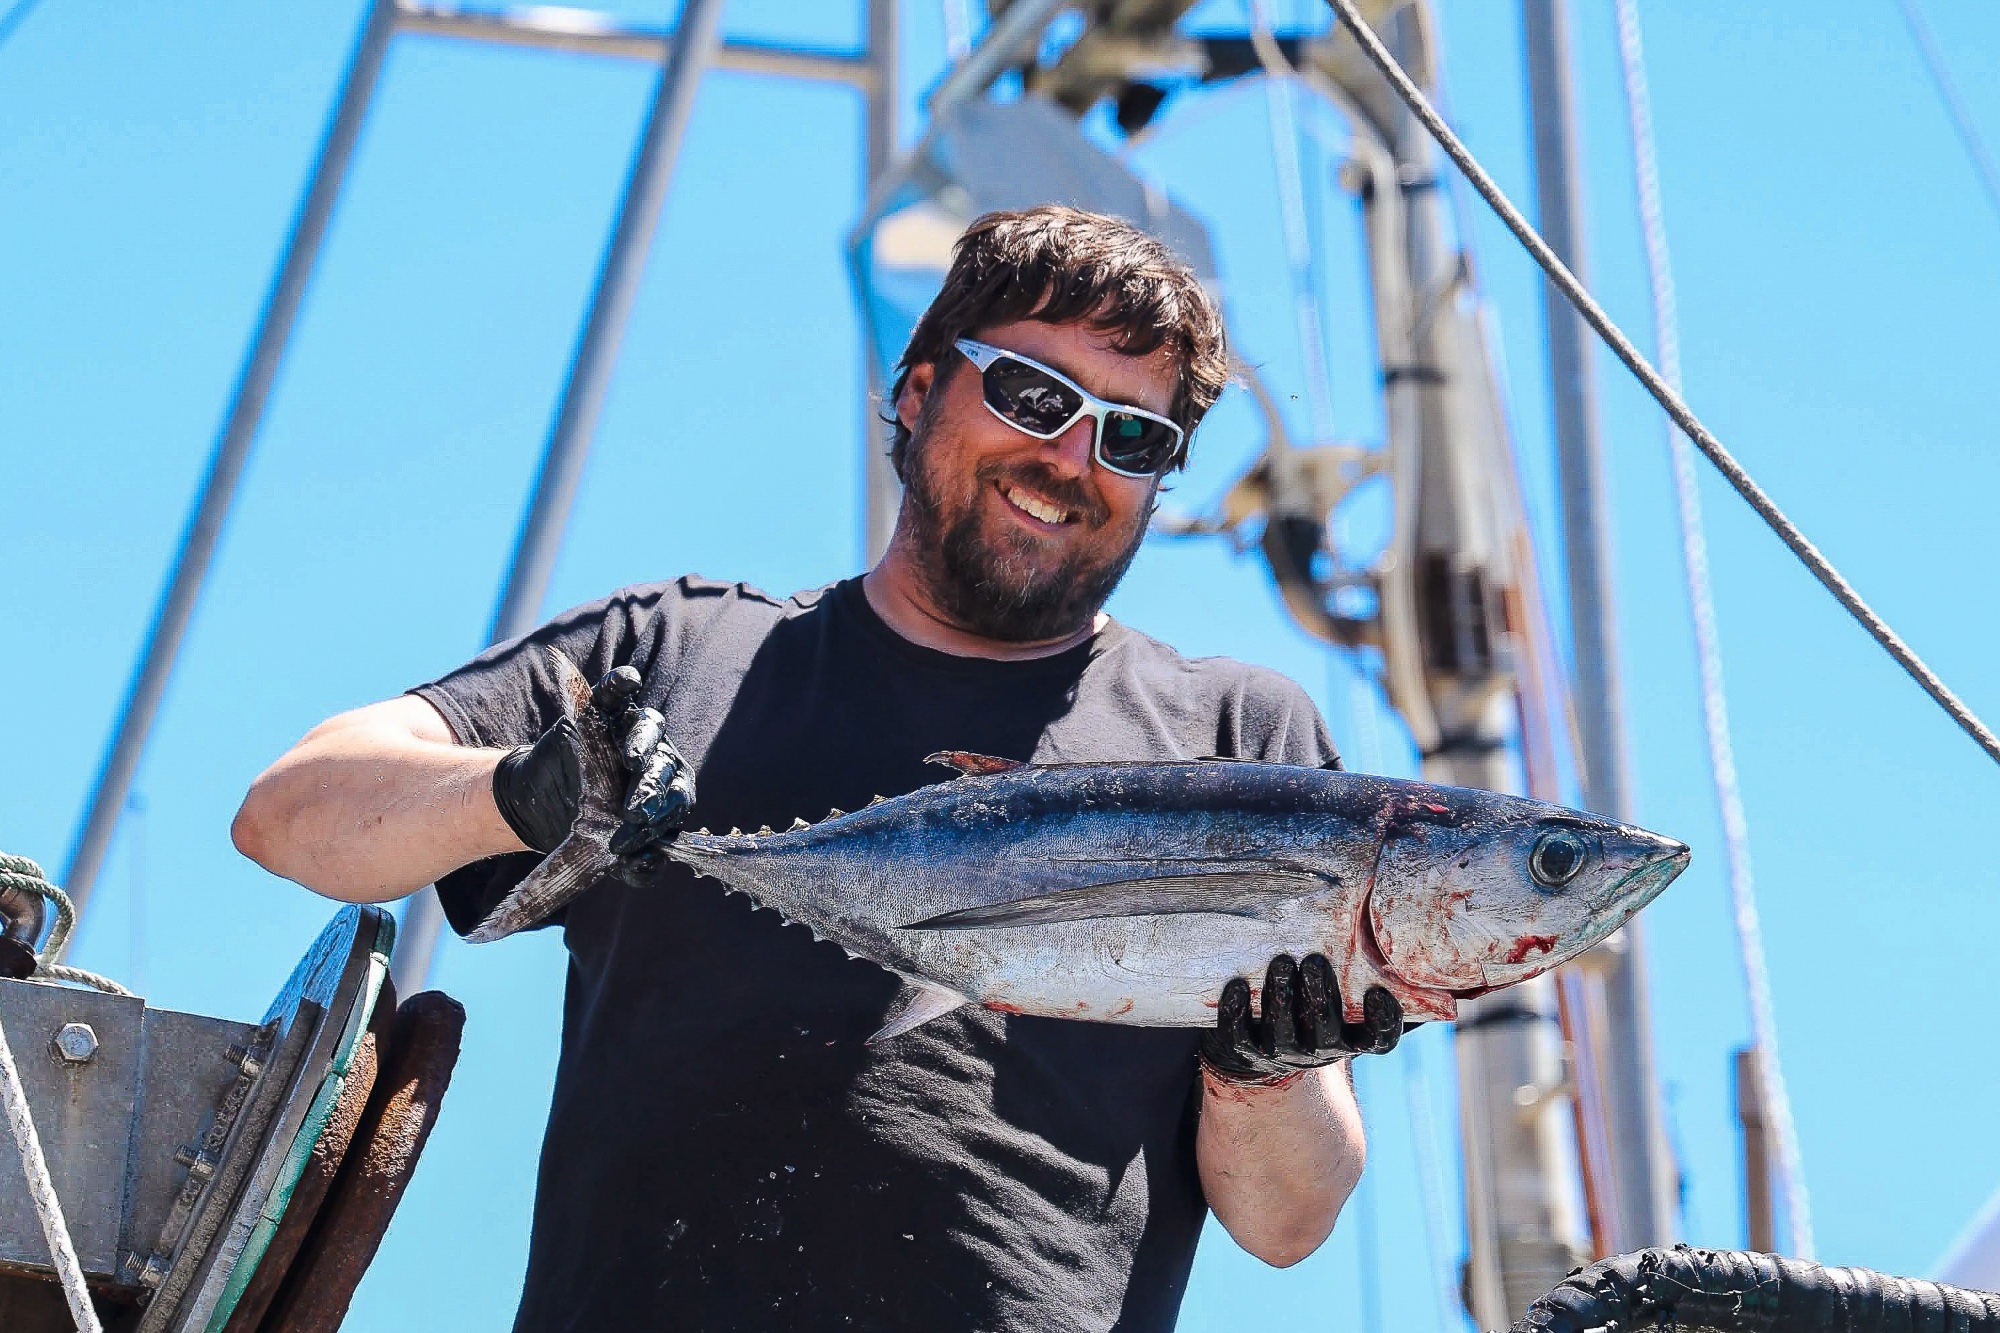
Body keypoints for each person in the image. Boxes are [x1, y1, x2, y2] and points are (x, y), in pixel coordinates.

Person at [231, 204, 1404, 1333]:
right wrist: (521, 793)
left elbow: (1286, 1219)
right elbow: (290, 813)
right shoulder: (676, 655)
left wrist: (1269, 1076)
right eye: (1031, 395)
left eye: (1130, 435)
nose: (1067, 457)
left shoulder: (1237, 736)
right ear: (915, 388)